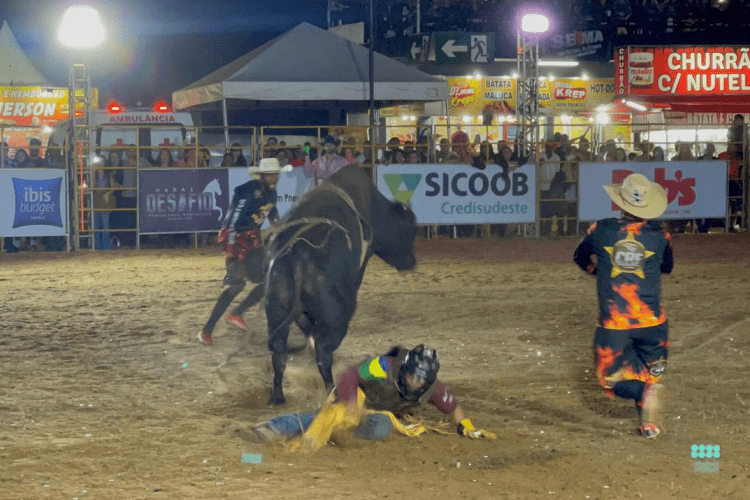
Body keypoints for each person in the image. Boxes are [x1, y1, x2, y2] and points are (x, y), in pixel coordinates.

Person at [573, 173, 673, 439]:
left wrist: (598, 270)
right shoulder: (662, 234)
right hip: (653, 322)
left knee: (610, 379)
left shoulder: (602, 229)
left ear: (620, 203)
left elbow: (579, 256)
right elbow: (667, 267)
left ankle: (642, 397)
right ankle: (648, 424)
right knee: (650, 374)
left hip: (614, 322)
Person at [253, 345, 495, 445]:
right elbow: (350, 375)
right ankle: (275, 428)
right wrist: (349, 404)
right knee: (329, 416)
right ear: (406, 369)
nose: (415, 382)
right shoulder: (384, 365)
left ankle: (341, 436)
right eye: (413, 375)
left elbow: (453, 407)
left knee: (380, 427)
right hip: (355, 397)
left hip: (379, 413)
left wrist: (466, 425)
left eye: (422, 379)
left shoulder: (434, 388)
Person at [198, 158, 288, 346]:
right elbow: (233, 219)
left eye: (276, 175)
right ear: (262, 175)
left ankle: (235, 313)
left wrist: (282, 229)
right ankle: (207, 329)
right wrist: (231, 248)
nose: (273, 179)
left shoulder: (271, 194)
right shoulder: (248, 191)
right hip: (236, 237)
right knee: (236, 285)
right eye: (270, 175)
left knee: (269, 279)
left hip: (252, 241)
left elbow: (273, 216)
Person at [92, 158, 119, 250]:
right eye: (98, 161)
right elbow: (89, 185)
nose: (100, 163)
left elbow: (113, 187)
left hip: (105, 202)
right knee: (96, 226)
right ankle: (97, 246)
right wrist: (93, 172)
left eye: (102, 161)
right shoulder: (93, 174)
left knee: (105, 225)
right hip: (95, 201)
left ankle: (105, 247)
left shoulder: (108, 174)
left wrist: (108, 193)